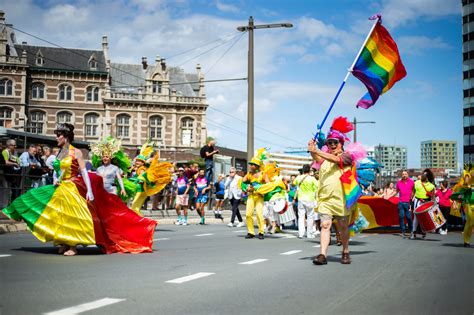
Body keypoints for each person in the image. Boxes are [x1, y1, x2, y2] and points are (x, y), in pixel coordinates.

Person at [2, 123, 158, 256]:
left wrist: (89, 190)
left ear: (66, 137)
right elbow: (59, 170)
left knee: (71, 216)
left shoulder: (76, 152)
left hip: (73, 186)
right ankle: (62, 240)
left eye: (59, 135)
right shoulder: (59, 152)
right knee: (50, 209)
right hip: (60, 186)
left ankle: (72, 245)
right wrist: (57, 179)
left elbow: (83, 171)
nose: (56, 138)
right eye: (56, 135)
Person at [308, 116, 363, 265]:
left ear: (341, 143)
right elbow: (317, 158)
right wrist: (312, 149)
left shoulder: (347, 157)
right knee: (325, 225)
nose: (332, 144)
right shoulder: (324, 159)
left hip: (342, 199)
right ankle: (322, 255)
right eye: (329, 142)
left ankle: (345, 251)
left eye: (335, 142)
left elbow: (336, 160)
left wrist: (318, 150)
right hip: (325, 198)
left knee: (343, 226)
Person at [240, 148, 268, 240]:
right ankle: (251, 232)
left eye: (253, 164)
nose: (251, 166)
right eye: (251, 164)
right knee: (248, 214)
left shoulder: (263, 174)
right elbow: (242, 182)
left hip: (260, 196)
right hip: (251, 196)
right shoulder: (249, 174)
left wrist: (260, 187)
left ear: (257, 166)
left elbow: (269, 184)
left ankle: (261, 232)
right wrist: (246, 188)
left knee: (259, 214)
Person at [293, 164, 319, 239]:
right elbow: (317, 187)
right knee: (310, 216)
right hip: (310, 199)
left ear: (303, 170)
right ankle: (309, 234)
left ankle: (301, 233)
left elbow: (294, 183)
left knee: (301, 216)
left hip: (301, 199)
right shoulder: (312, 179)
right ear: (309, 170)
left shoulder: (299, 177)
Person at [410, 169, 435, 240]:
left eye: (424, 175)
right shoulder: (416, 182)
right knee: (416, 217)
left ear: (427, 177)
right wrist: (411, 201)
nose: (422, 176)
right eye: (422, 174)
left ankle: (424, 232)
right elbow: (413, 192)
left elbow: (433, 196)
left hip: (426, 203)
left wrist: (433, 204)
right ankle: (414, 232)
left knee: (425, 218)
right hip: (417, 201)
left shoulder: (431, 185)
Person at [394, 170, 414, 238]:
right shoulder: (399, 183)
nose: (404, 175)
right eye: (403, 174)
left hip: (408, 202)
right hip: (401, 202)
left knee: (409, 217)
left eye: (405, 174)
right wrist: (389, 196)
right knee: (401, 217)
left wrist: (413, 198)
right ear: (401, 175)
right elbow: (396, 191)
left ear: (408, 175)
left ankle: (411, 230)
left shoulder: (411, 182)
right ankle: (403, 231)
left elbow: (414, 191)